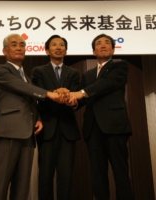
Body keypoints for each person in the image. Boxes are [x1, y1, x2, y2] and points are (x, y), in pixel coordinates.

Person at [0, 33, 63, 200]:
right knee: (0, 184)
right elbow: (20, 87)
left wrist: (39, 119)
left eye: (22, 45)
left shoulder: (27, 78)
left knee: (22, 187)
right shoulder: (1, 70)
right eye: (14, 44)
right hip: (7, 132)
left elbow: (29, 101)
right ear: (5, 51)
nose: (19, 47)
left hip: (28, 134)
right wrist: (49, 94)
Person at [69, 34, 134, 200]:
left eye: (107, 43)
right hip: (92, 128)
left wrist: (81, 93)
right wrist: (72, 102)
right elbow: (82, 100)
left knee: (121, 173)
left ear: (113, 49)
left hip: (115, 126)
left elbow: (107, 83)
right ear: (93, 51)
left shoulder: (120, 66)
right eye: (99, 43)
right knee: (97, 175)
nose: (103, 45)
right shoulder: (88, 74)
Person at [31, 35, 81, 200]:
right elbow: (37, 95)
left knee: (66, 176)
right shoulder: (38, 71)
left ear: (66, 51)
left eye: (62, 45)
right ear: (47, 50)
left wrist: (69, 98)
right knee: (45, 175)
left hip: (68, 129)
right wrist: (58, 92)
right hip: (47, 127)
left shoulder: (74, 73)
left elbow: (76, 98)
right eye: (54, 45)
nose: (58, 47)